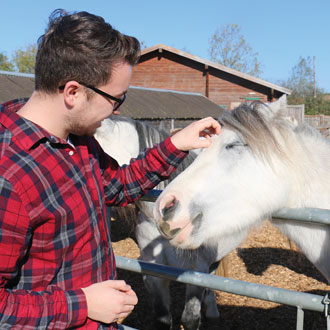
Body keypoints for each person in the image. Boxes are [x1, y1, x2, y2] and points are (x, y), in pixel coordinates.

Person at [0, 9, 221, 330]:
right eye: (116, 99)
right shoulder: (10, 174)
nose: (118, 110)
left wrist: (177, 144)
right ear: (73, 92)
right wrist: (84, 304)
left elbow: (117, 185)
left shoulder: (75, 140)